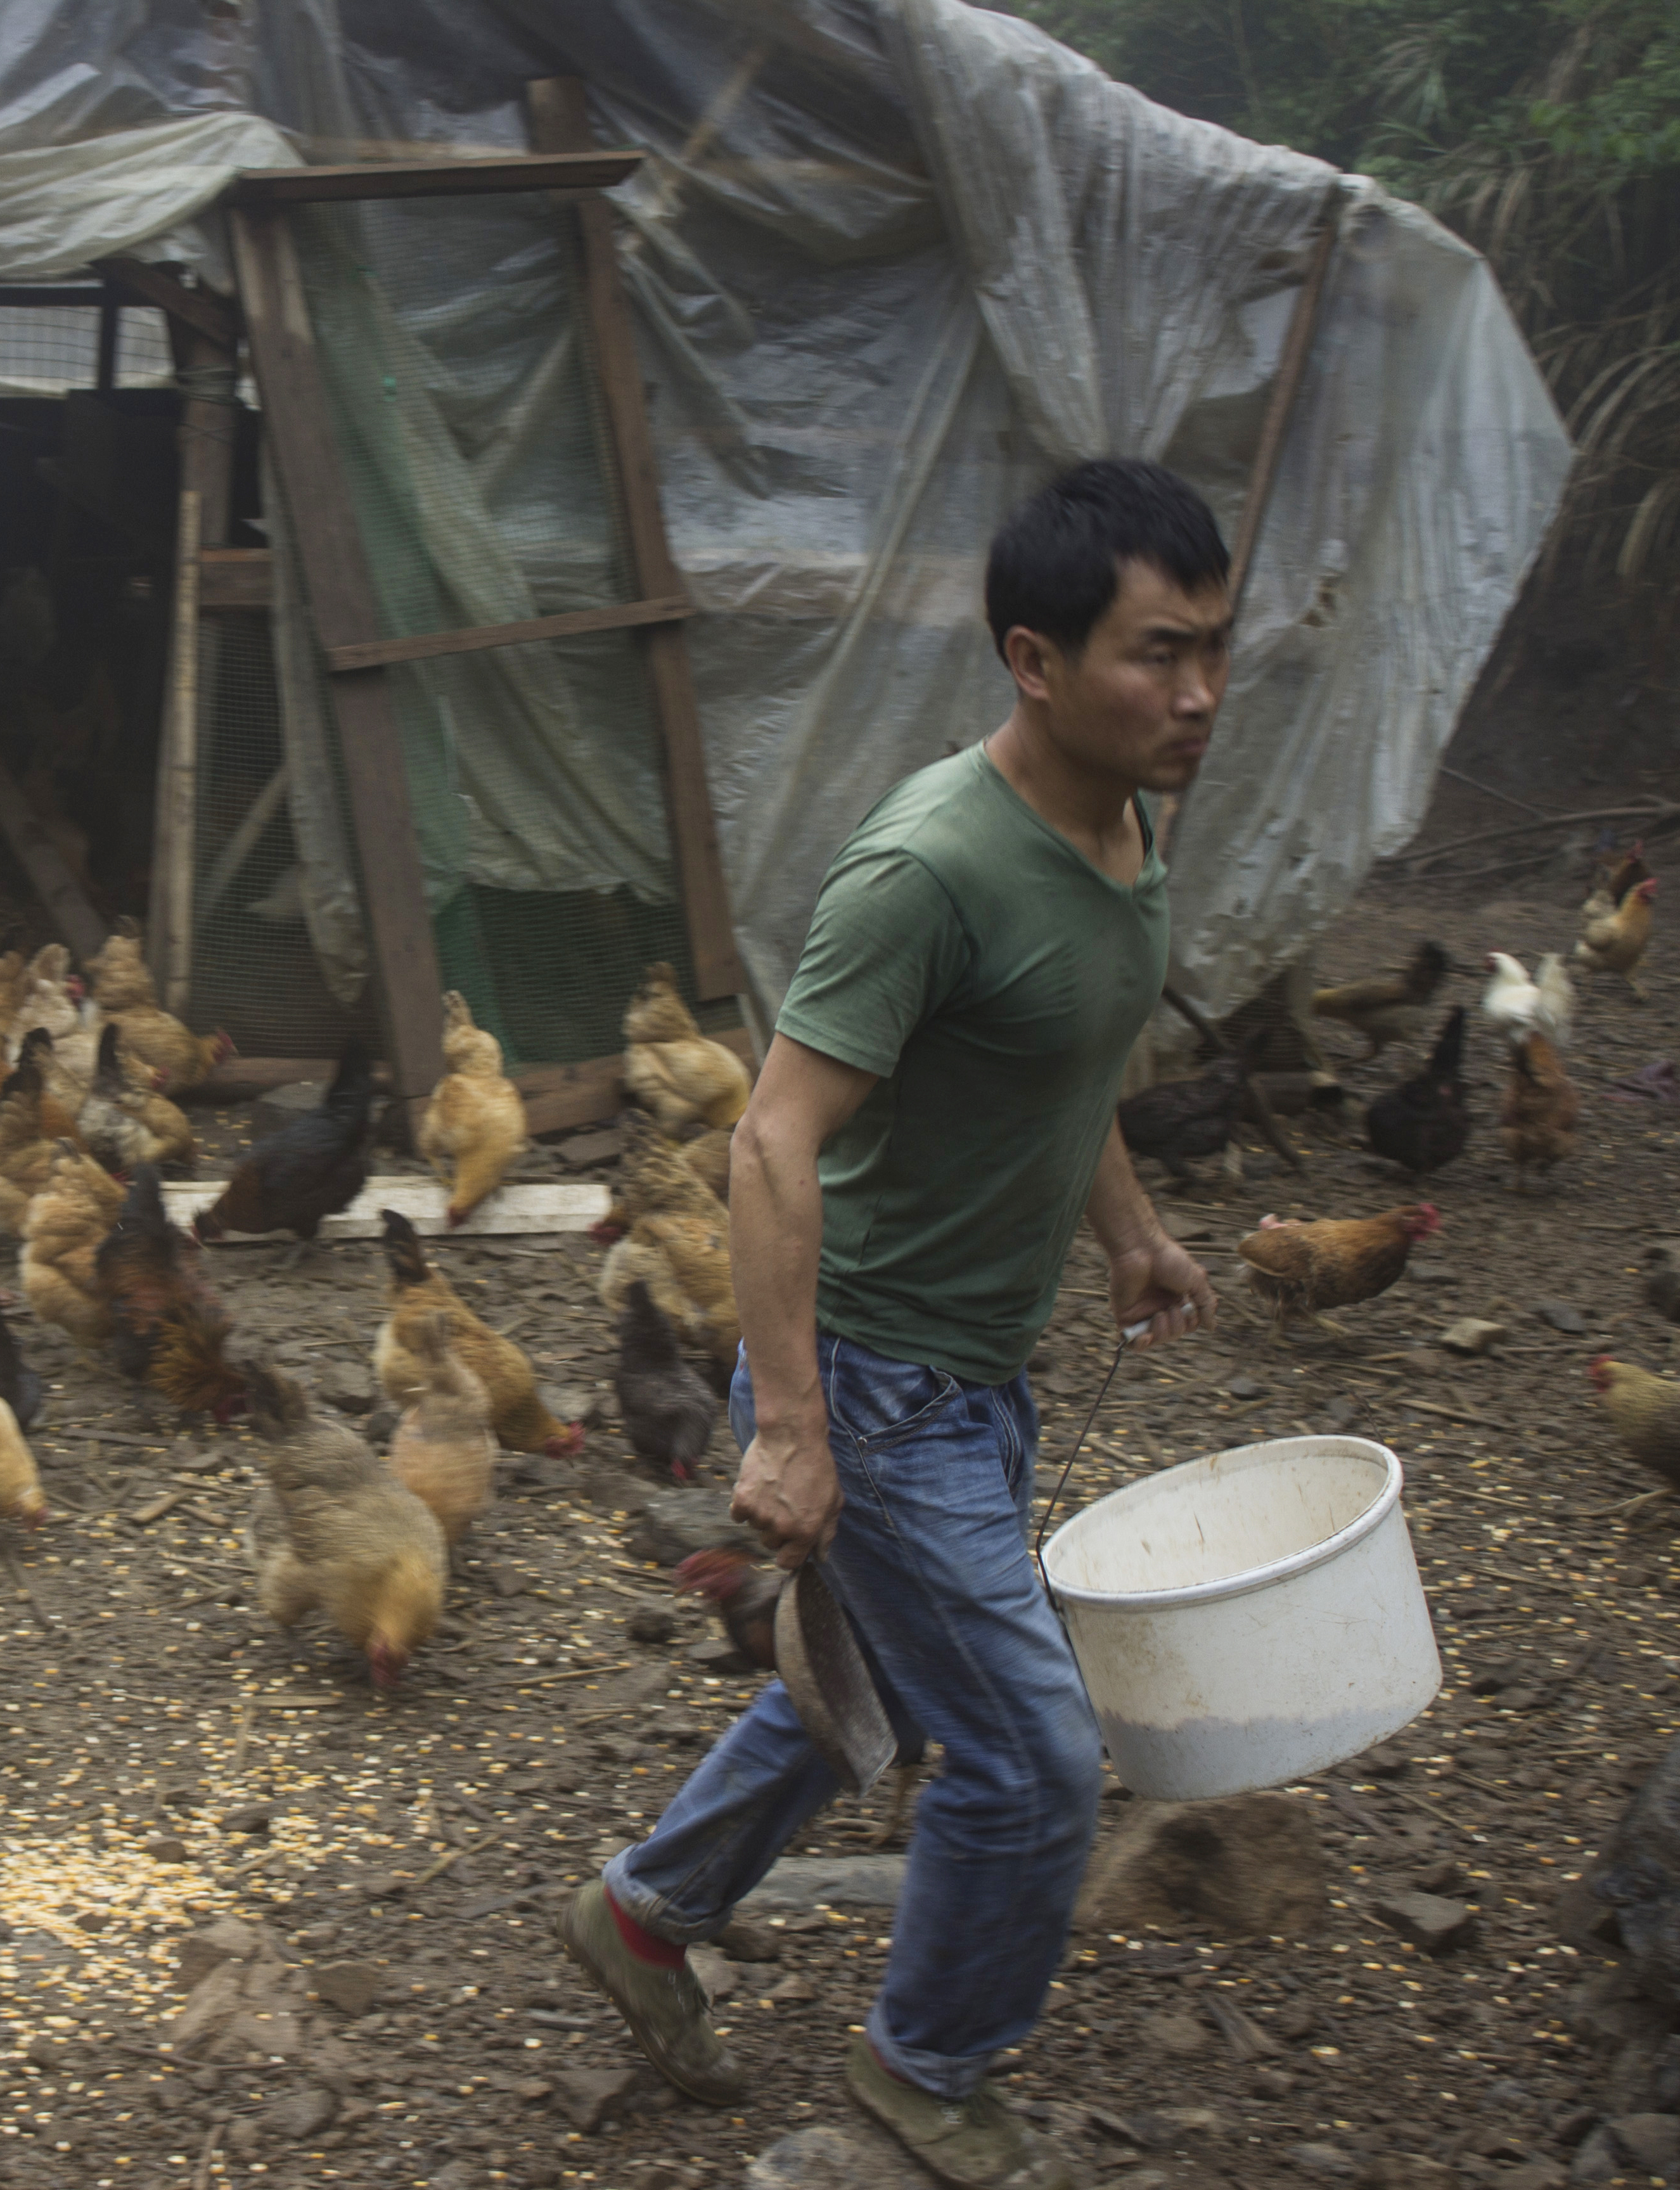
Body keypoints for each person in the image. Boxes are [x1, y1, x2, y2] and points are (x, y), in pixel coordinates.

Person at [555, 458, 1230, 2190]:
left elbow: (1062, 1066)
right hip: (877, 1378)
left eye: (1215, 651)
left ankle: (648, 1920)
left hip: (982, 1371)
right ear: (1034, 658)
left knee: (868, 1679)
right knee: (1033, 1760)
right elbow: (769, 1138)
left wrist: (1133, 1230)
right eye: (1158, 656)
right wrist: (789, 1424)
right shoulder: (927, 869)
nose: (1198, 696)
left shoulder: (1134, 821)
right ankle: (927, 2078)